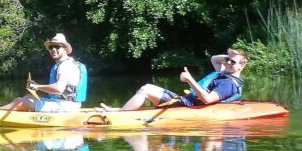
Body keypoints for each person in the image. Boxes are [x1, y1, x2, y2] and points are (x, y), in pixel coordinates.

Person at [99, 48, 248, 111]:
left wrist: (190, 80)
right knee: (145, 88)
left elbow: (208, 99)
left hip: (185, 106)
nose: (227, 63)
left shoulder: (227, 83)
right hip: (183, 101)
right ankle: (120, 110)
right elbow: (215, 59)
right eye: (227, 60)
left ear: (242, 66)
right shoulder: (224, 73)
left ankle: (121, 116)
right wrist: (231, 56)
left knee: (145, 89)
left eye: (232, 62)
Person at [0, 33, 88, 112]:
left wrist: (37, 87)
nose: (53, 49)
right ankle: (0, 111)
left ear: (65, 49)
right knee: (27, 97)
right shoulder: (61, 64)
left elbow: (58, 88)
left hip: (66, 106)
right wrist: (37, 86)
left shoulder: (66, 65)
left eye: (57, 47)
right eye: (50, 47)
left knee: (21, 102)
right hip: (60, 103)